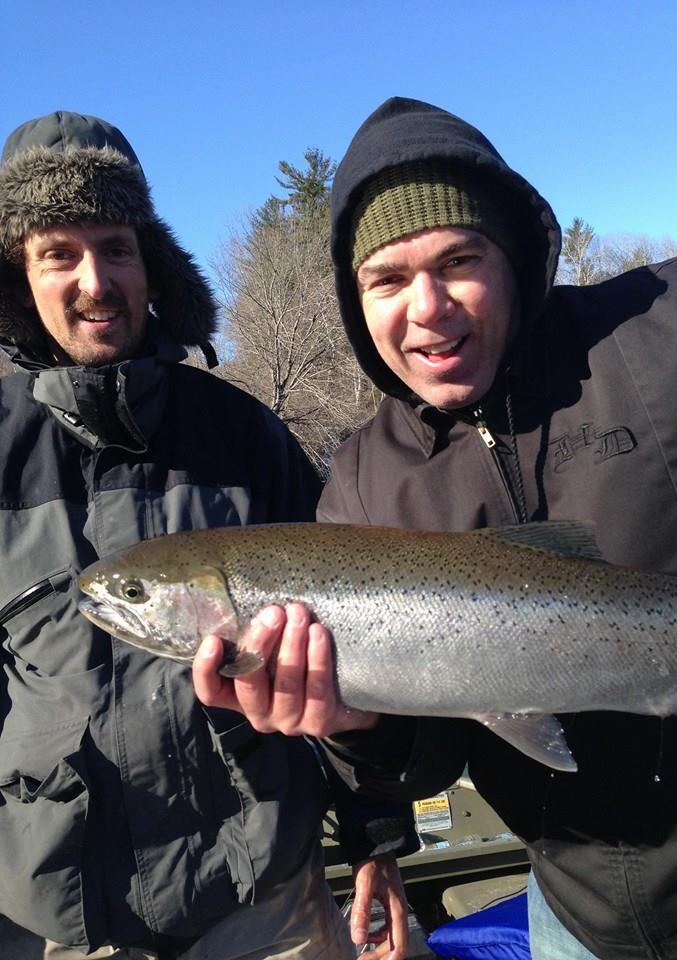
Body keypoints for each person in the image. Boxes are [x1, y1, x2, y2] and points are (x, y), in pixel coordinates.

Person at [193, 96, 677, 960]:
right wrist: (353, 724)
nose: (428, 307)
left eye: (459, 260)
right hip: (577, 917)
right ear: (355, 300)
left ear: (512, 259)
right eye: (388, 280)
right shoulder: (360, 488)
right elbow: (428, 757)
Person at [0, 110, 417, 960]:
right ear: (19, 275)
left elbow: (354, 641)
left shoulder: (245, 434)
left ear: (151, 263)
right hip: (66, 921)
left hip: (268, 898)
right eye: (59, 254)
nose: (95, 281)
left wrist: (377, 836)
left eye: (117, 247)